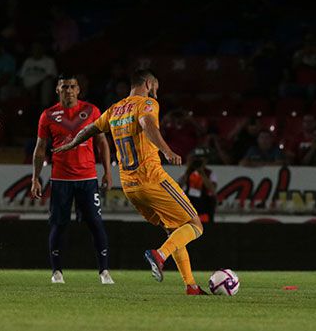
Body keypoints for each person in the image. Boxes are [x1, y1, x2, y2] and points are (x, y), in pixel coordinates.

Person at [54, 69, 208, 295]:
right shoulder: (146, 104)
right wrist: (166, 150)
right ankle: (159, 255)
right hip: (152, 178)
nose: (156, 90)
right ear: (147, 83)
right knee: (195, 225)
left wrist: (70, 144)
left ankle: (191, 285)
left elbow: (89, 129)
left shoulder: (115, 109)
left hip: (130, 187)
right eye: (155, 85)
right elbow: (147, 124)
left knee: (173, 229)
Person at [30, 74, 114, 285]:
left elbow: (102, 142)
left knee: (95, 223)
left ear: (79, 90)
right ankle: (56, 272)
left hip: (88, 178)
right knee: (59, 224)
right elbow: (40, 149)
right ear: (57, 90)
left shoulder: (92, 111)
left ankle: (104, 272)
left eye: (72, 86)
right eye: (64, 86)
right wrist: (35, 178)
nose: (69, 90)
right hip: (61, 179)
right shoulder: (48, 115)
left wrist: (108, 171)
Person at [178, 147, 218, 223]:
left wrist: (201, 172)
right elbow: (178, 187)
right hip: (190, 203)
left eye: (201, 159)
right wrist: (188, 170)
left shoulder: (210, 173)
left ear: (206, 160)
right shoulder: (187, 173)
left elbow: (212, 189)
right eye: (196, 158)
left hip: (204, 204)